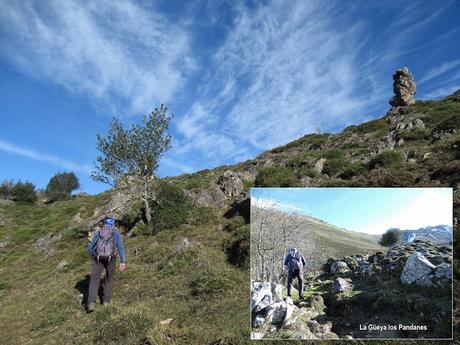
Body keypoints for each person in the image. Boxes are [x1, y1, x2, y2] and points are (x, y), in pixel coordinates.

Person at [86, 217, 126, 312]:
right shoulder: (115, 232)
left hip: (98, 258)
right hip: (111, 259)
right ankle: (106, 301)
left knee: (94, 280)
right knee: (109, 279)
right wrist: (123, 261)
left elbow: (91, 246)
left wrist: (93, 255)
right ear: (113, 224)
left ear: (104, 224)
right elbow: (120, 247)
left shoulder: (99, 232)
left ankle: (91, 302)